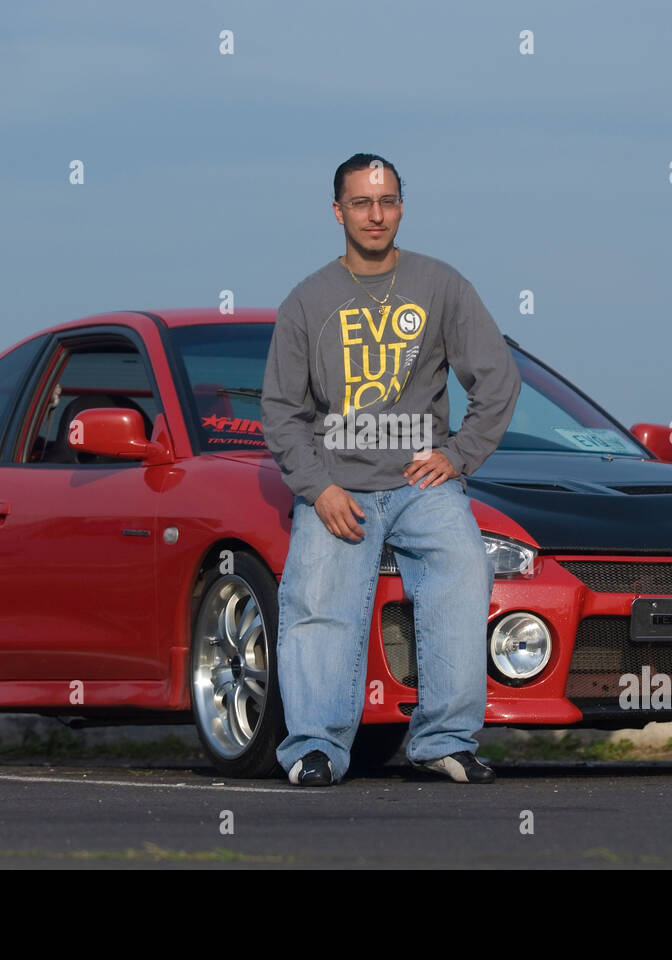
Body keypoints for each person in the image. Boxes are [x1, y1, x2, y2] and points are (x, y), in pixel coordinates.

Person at [260, 152, 521, 786]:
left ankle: (444, 742)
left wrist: (458, 455)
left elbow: (498, 378)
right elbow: (281, 409)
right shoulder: (307, 301)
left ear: (401, 206)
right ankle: (316, 749)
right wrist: (317, 488)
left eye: (387, 202)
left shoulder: (442, 286)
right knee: (317, 603)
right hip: (338, 488)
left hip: (419, 486)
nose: (376, 215)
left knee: (463, 574)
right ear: (338, 211)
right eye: (361, 203)